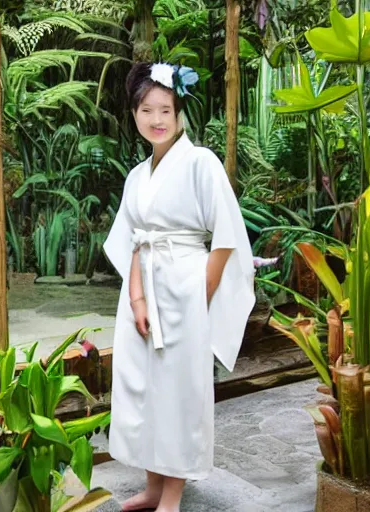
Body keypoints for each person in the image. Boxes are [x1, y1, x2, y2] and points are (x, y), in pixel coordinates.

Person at [103, 62, 256, 512]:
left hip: (185, 287)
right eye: (146, 110)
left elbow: (226, 237)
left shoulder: (200, 163)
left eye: (165, 109)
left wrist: (199, 298)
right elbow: (133, 240)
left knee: (177, 392)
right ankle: (152, 486)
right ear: (134, 115)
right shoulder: (136, 176)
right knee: (142, 389)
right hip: (142, 291)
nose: (156, 119)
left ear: (179, 112)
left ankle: (172, 494)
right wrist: (136, 298)